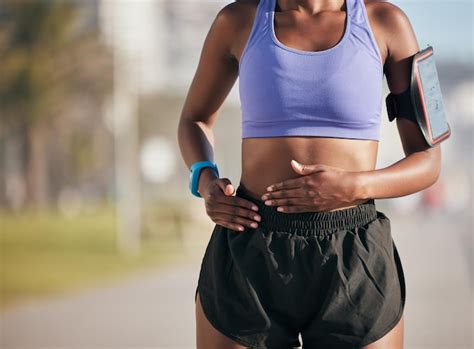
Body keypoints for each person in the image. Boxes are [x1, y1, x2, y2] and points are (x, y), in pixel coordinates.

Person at [177, 0, 442, 348]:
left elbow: (428, 161)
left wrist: (352, 185)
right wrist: (207, 181)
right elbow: (193, 120)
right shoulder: (236, 20)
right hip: (251, 244)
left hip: (353, 252)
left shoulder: (387, 22)